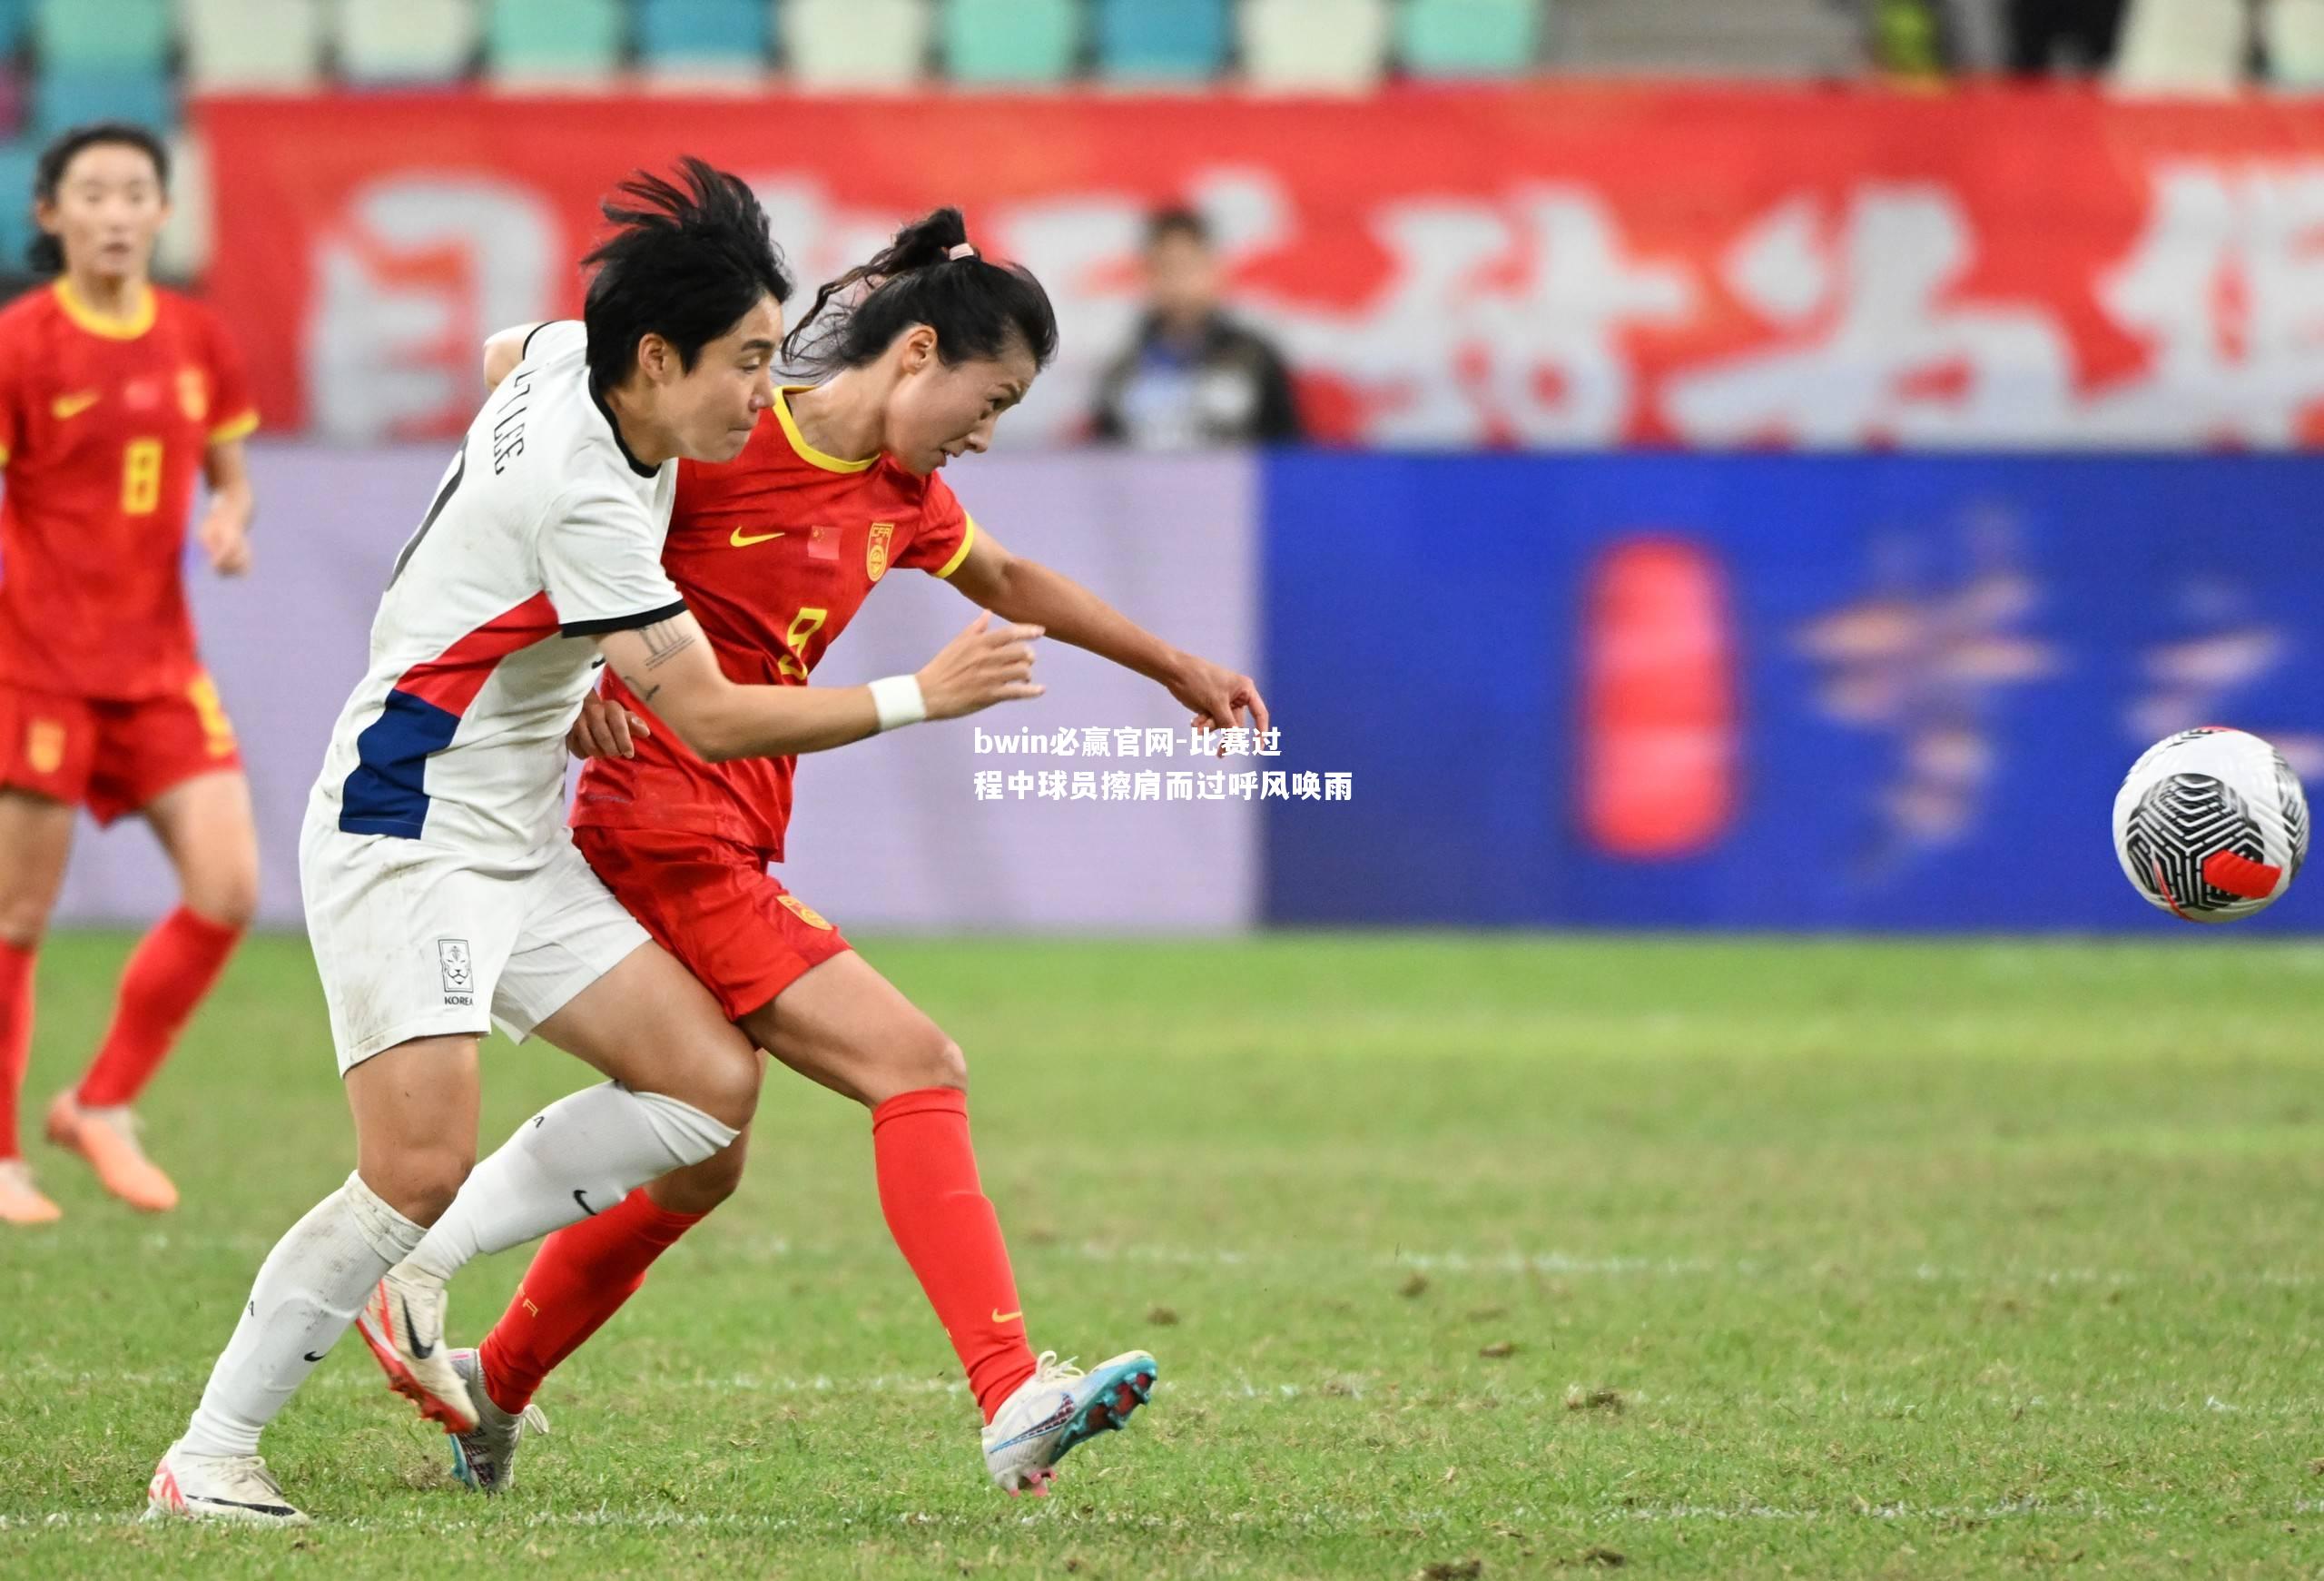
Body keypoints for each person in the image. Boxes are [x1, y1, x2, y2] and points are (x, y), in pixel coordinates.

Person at [144, 162, 1045, 1527]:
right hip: (414, 825)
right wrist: (930, 692)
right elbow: (713, 714)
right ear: (658, 357)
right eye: (745, 363)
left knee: (705, 1091)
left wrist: (557, 681)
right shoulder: (588, 496)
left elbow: (518, 351)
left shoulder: (574, 362)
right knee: (415, 1162)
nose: (763, 394)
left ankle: (417, 1268)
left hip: (513, 826)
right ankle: (208, 1454)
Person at [425, 209, 1269, 1499]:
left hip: (734, 828)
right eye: (988, 400)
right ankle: (1009, 1397)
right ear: (917, 349)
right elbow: (512, 376)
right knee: (915, 1063)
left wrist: (1177, 668)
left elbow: (1018, 579)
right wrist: (571, 656)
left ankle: (492, 1385)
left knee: (700, 1154)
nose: (986, 434)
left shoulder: (904, 496)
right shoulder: (723, 419)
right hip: (656, 819)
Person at [0, 123, 261, 1225]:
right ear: (51, 214)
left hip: (159, 669)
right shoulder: (21, 346)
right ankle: (4, 1156)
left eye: (134, 192)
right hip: (41, 669)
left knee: (230, 888)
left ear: (164, 213)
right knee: (19, 915)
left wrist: (231, 519)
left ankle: (101, 1104)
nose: (115, 212)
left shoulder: (199, 337)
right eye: (91, 193)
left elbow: (230, 478)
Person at [1089, 206, 1303, 450]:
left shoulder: (1255, 358)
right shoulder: (1123, 369)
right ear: (1147, 275)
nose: (1179, 284)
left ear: (1214, 270)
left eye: (1189, 267)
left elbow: (1290, 457)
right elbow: (1103, 464)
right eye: (1166, 269)